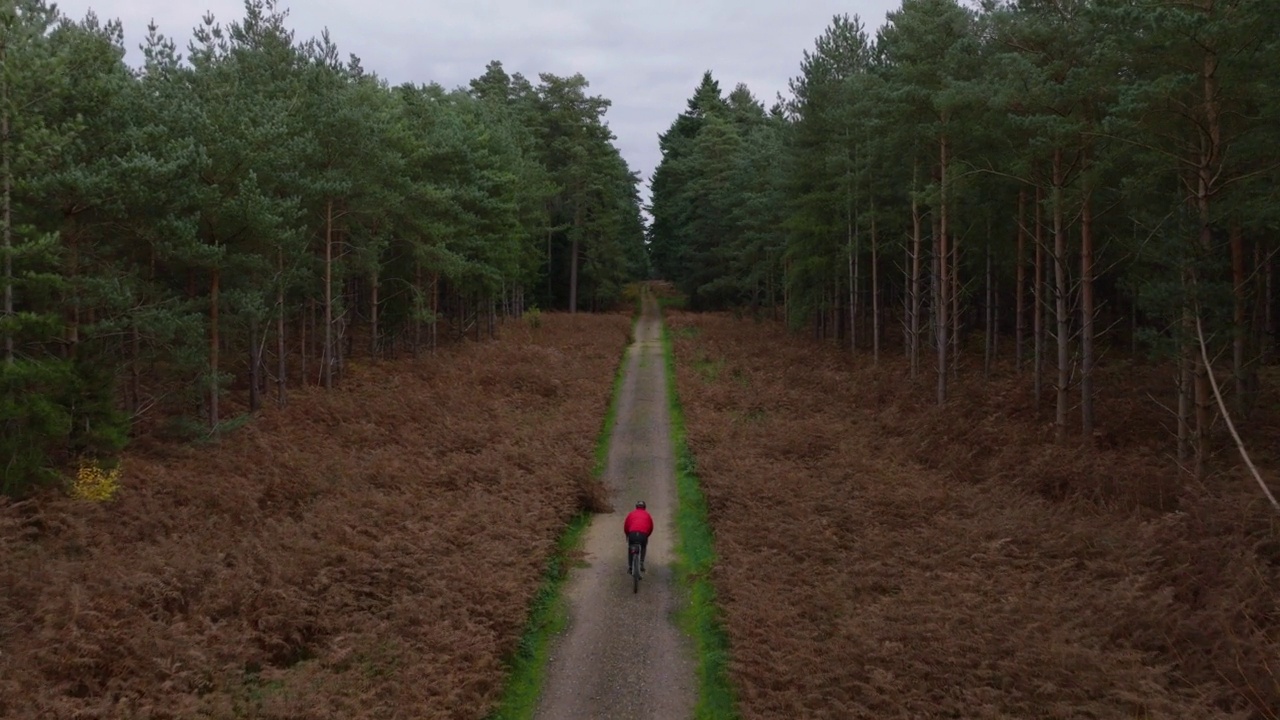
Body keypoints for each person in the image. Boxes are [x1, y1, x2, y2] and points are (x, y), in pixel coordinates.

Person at [623, 500, 653, 574]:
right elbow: (651, 527)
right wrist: (647, 535)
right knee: (643, 546)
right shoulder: (647, 515)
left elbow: (626, 526)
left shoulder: (631, 514)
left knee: (631, 548)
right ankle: (641, 562)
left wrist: (627, 534)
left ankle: (630, 567)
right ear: (644, 507)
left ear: (636, 507)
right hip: (643, 535)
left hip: (632, 534)